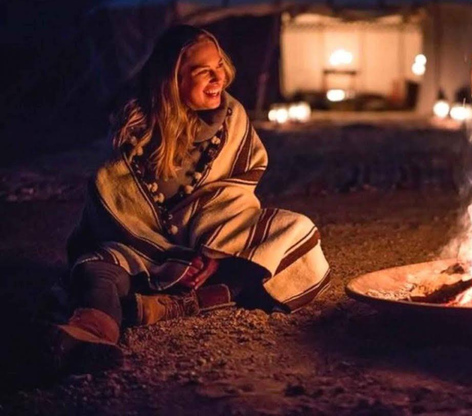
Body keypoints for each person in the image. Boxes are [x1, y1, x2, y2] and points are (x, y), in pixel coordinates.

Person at [48, 25, 330, 374]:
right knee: (98, 267)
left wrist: (213, 252)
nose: (219, 78)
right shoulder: (134, 127)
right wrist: (171, 258)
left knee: (296, 235)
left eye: (220, 66)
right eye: (203, 72)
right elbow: (114, 201)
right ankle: (91, 334)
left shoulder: (232, 119)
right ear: (173, 79)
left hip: (208, 246)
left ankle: (175, 305)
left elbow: (232, 193)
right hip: (140, 246)